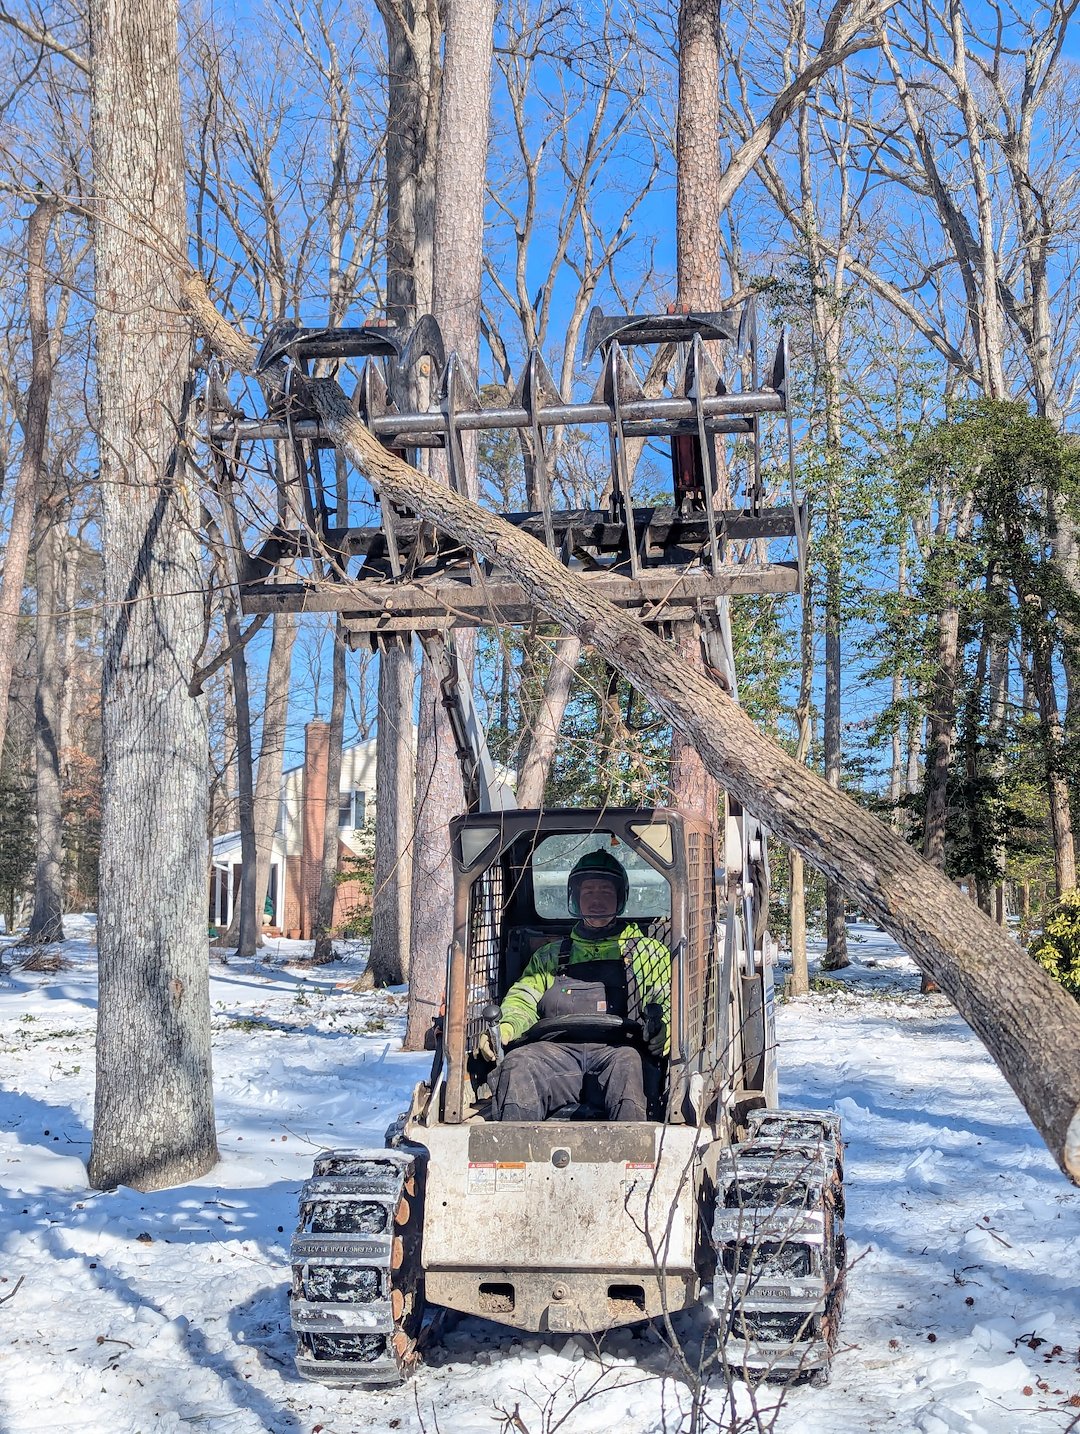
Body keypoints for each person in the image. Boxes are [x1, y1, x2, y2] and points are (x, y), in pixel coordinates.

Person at [477, 849, 671, 1122]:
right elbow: (523, 999)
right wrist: (507, 1026)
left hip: (616, 1053)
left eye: (605, 891)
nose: (596, 901)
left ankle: (632, 1160)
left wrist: (663, 1030)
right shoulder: (550, 955)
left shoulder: (647, 953)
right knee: (518, 1063)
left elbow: (664, 999)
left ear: (621, 897)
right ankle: (513, 1157)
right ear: (575, 898)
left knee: (630, 1065)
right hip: (555, 1055)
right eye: (588, 892)